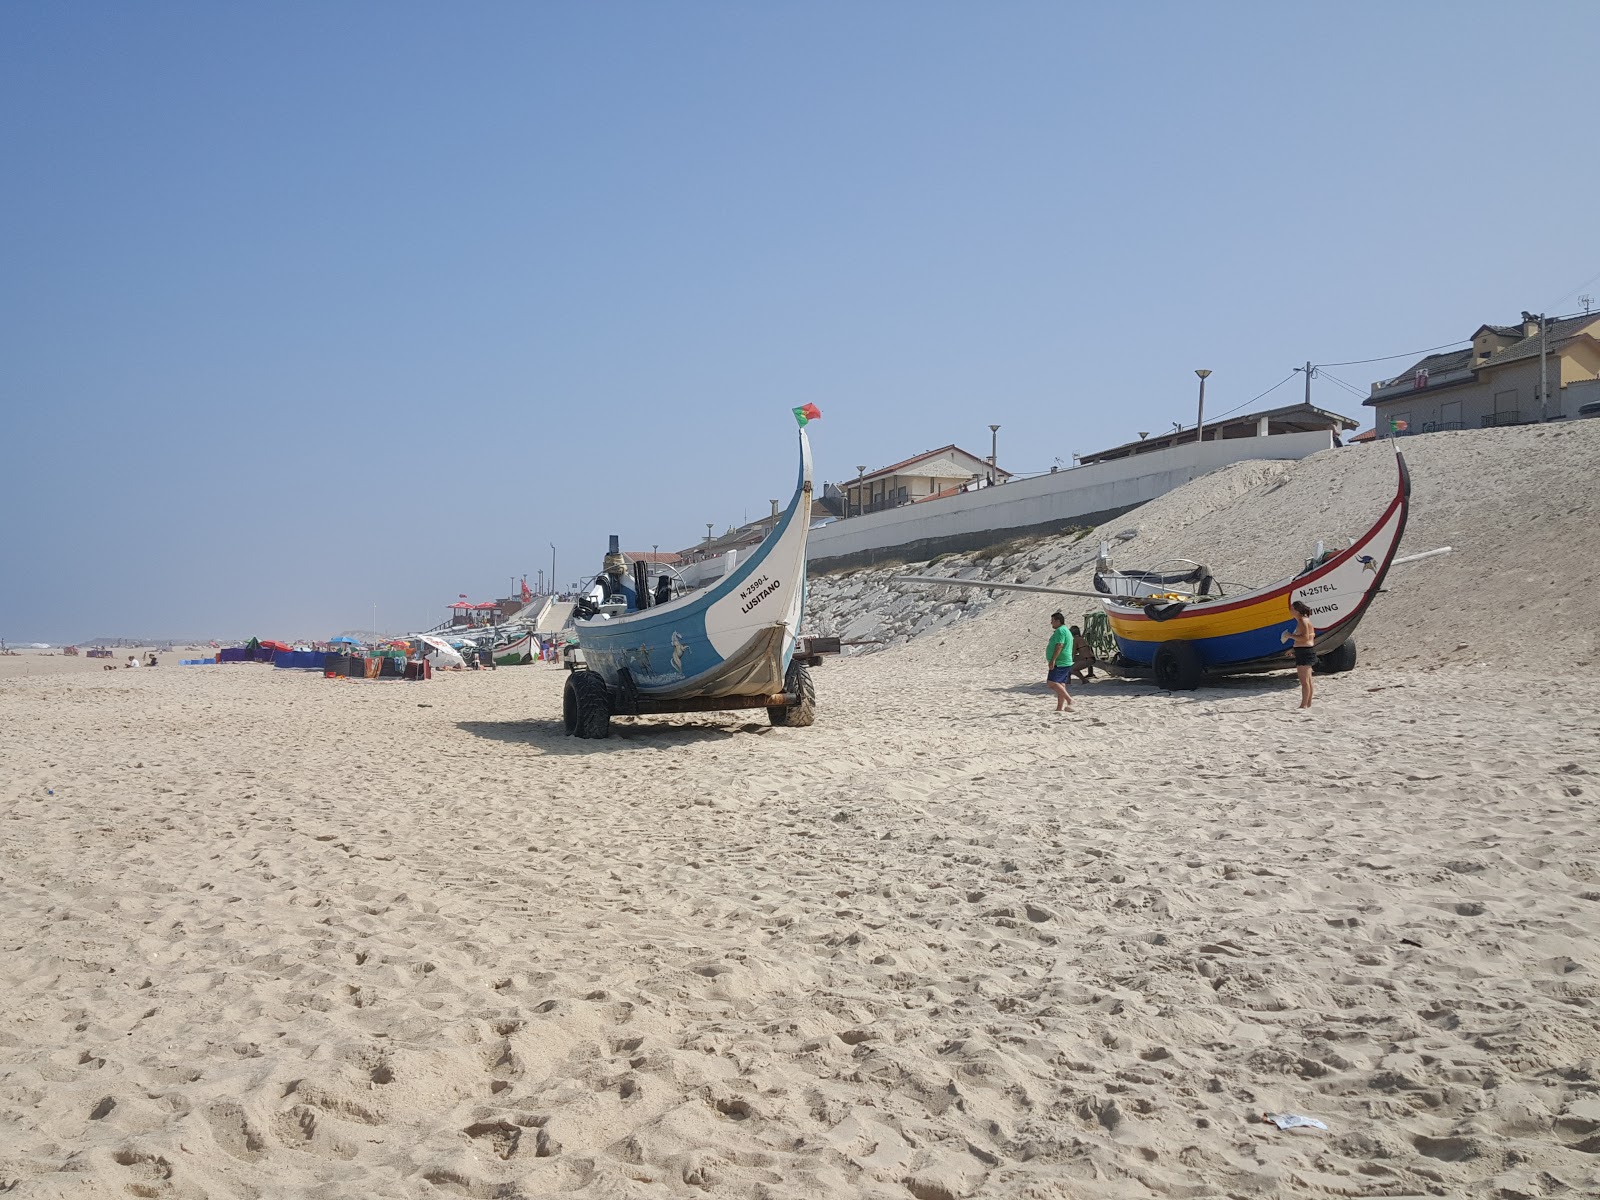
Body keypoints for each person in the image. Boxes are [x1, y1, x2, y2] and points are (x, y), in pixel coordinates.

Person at [1282, 600, 1317, 708]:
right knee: (1308, 680)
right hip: (1304, 650)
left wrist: (1290, 635)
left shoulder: (1302, 621)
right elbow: (1308, 637)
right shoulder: (1304, 620)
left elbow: (1305, 637)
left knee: (1304, 681)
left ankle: (1304, 704)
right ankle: (1308, 703)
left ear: (1297, 610)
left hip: (1304, 652)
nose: (1290, 611)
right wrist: (1293, 649)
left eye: (1292, 609)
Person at [1045, 611, 1074, 712]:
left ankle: (1069, 699)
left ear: (1058, 621)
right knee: (1061, 684)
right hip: (1065, 661)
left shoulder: (1060, 631)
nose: (1051, 623)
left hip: (1060, 661)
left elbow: (1059, 645)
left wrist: (1053, 660)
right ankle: (1059, 708)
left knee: (1051, 683)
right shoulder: (1065, 630)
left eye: (1052, 621)